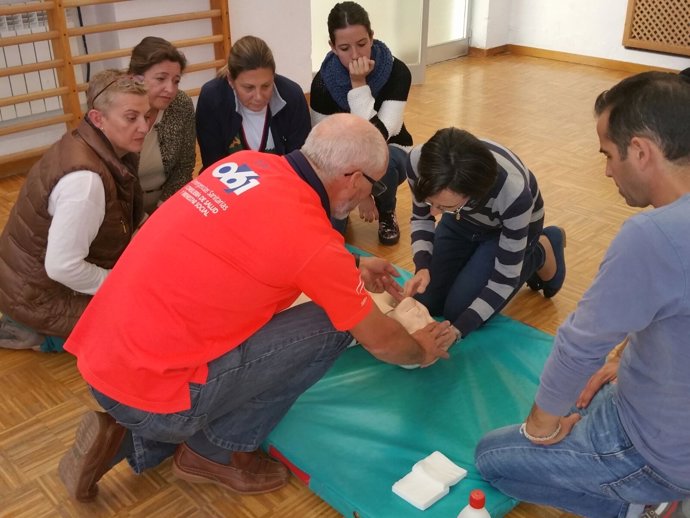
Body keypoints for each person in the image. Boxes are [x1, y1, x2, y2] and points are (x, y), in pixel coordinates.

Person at [57, 113, 455, 502]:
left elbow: (263, 239)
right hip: (153, 394)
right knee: (335, 325)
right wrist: (421, 349)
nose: (371, 196)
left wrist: (350, 264)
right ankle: (213, 453)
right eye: (374, 186)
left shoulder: (247, 162)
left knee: (255, 317)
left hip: (105, 359)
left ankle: (130, 439)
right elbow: (382, 342)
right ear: (351, 178)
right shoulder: (311, 240)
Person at [475, 72, 690, 517]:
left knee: (492, 460)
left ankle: (640, 505)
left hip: (660, 453)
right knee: (581, 392)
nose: (608, 170)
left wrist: (540, 427)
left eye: (609, 155)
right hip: (666, 414)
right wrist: (624, 358)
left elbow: (581, 342)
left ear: (641, 151)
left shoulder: (652, 235)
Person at [0, 70, 148, 352]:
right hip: (37, 295)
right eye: (132, 118)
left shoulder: (97, 143)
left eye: (146, 116)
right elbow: (61, 266)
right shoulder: (85, 182)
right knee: (142, 318)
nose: (144, 127)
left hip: (29, 280)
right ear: (98, 118)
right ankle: (38, 333)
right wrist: (117, 284)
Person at [402, 127, 566, 340]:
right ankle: (470, 249)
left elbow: (504, 280)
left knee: (460, 313)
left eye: (442, 207)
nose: (433, 212)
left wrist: (458, 330)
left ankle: (542, 249)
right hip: (461, 220)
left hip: (508, 228)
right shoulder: (421, 163)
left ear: (472, 194)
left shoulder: (513, 193)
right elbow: (422, 218)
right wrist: (422, 265)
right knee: (427, 301)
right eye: (430, 202)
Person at [310, 1, 412, 245]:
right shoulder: (323, 83)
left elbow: (376, 138)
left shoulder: (398, 71)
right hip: (341, 160)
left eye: (362, 44)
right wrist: (361, 193)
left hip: (391, 151)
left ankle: (386, 210)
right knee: (332, 237)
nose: (355, 55)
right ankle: (345, 204)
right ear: (332, 47)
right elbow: (324, 148)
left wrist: (358, 84)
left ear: (372, 37)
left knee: (383, 158)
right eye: (345, 48)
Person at [196, 35, 311, 170]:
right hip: (229, 185)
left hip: (281, 183)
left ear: (274, 76)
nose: (258, 97)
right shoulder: (212, 98)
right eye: (248, 88)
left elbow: (301, 164)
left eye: (266, 86)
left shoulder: (292, 96)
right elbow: (214, 167)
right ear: (230, 80)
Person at [127, 36, 196, 214]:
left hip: (168, 204)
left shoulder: (180, 104)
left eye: (176, 81)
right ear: (135, 78)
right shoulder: (117, 110)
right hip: (124, 210)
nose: (170, 89)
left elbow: (185, 166)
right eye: (161, 79)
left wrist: (162, 211)